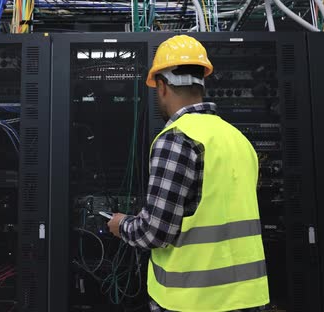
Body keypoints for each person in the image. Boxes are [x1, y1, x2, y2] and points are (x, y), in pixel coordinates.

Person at [106, 35, 270, 312]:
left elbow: (155, 232)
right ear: (201, 82)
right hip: (247, 297)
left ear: (161, 87)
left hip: (194, 300)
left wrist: (121, 224)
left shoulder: (177, 138)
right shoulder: (238, 139)